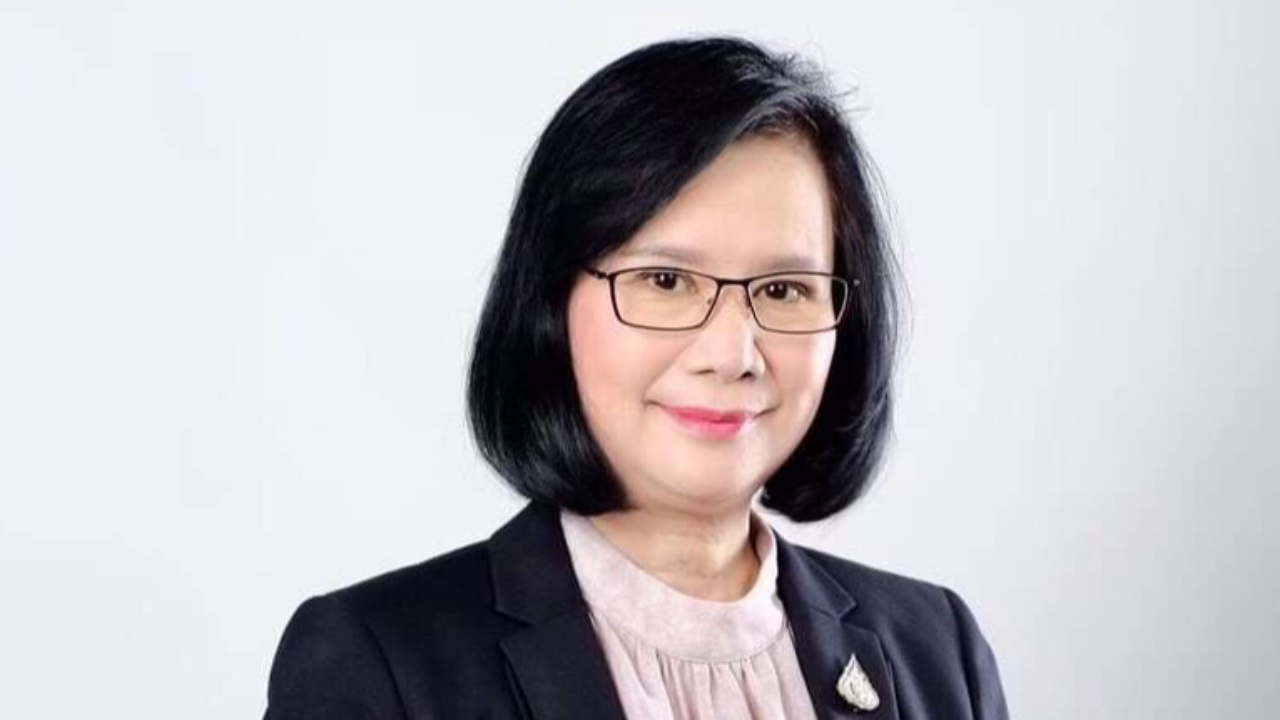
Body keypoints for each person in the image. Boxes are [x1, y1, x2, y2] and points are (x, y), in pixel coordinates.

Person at [263, 34, 1011, 720]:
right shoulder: (380, 665)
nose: (732, 353)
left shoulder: (936, 651)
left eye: (784, 290)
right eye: (665, 281)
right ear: (551, 303)